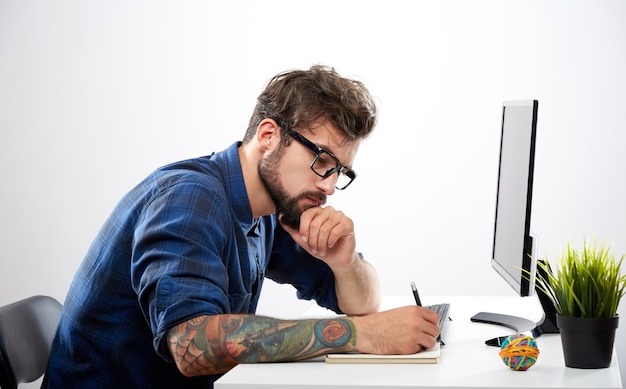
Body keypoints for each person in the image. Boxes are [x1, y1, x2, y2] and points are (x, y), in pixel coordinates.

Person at [42, 65, 440, 388]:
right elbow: (191, 343)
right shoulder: (190, 199)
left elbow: (362, 303)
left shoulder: (269, 209)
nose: (330, 185)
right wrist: (360, 336)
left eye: (340, 171)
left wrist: (344, 262)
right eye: (322, 160)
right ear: (268, 135)